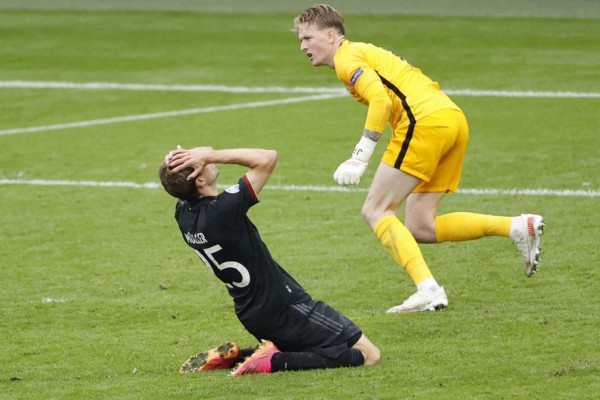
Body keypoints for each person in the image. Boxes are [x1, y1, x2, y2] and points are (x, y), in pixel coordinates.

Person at [292, 4, 545, 313]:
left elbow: (381, 101)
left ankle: (428, 289)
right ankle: (518, 227)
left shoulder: (347, 59)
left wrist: (359, 156)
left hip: (423, 123)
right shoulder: (358, 53)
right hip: (451, 119)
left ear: (331, 36)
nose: (303, 46)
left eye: (307, 37)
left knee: (375, 209)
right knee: (420, 225)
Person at [158, 145, 380, 376]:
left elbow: (177, 185)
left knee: (318, 348)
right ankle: (272, 362)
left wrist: (171, 167)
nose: (206, 159)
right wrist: (213, 155)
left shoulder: (183, 213)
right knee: (368, 355)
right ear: (199, 182)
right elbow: (267, 158)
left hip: (253, 313)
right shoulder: (222, 211)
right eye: (201, 163)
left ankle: (242, 355)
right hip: (285, 307)